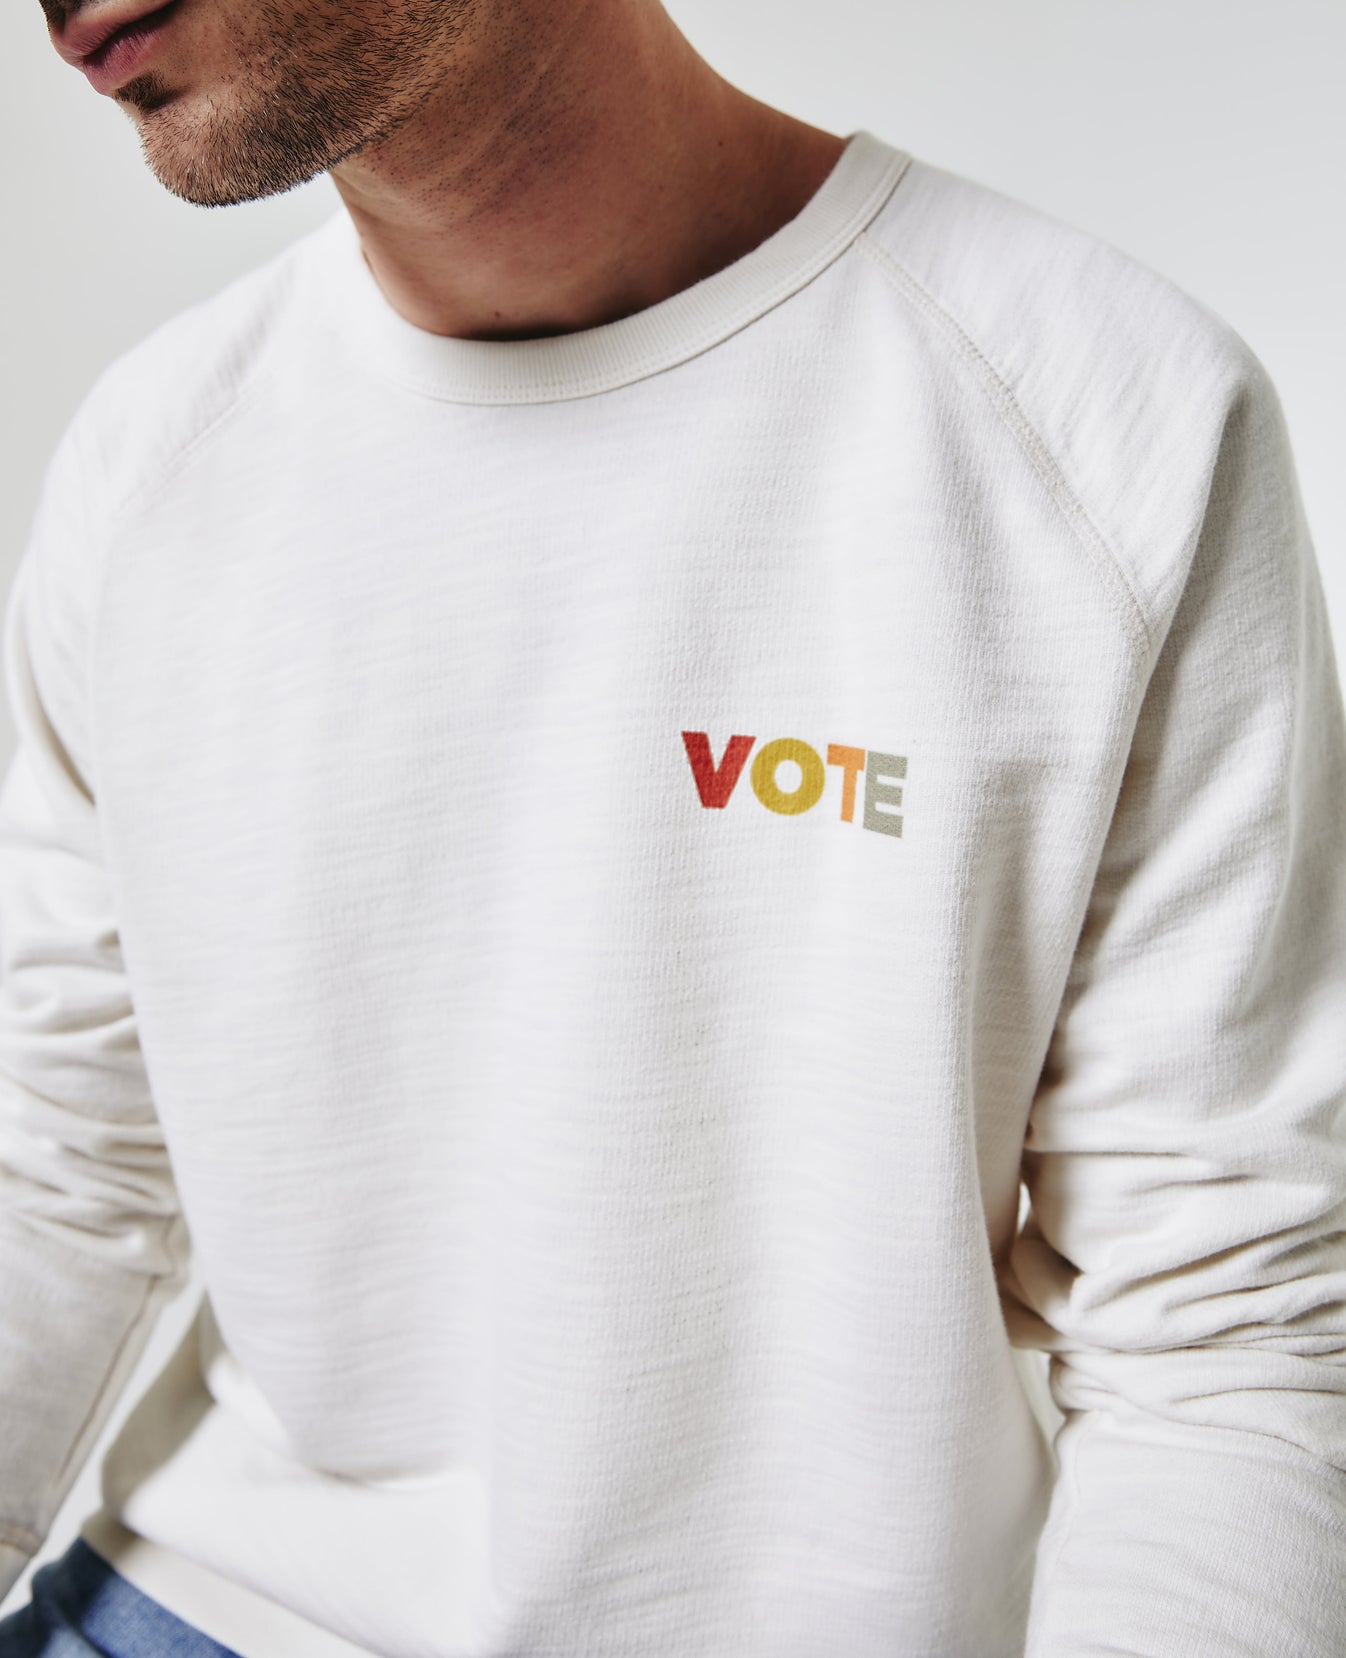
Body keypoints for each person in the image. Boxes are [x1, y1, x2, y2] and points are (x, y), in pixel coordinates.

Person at [2, 0, 1344, 1654]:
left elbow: (1224, 1331)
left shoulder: (1099, 420)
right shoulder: (153, 458)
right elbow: (56, 1162)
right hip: (192, 1604)